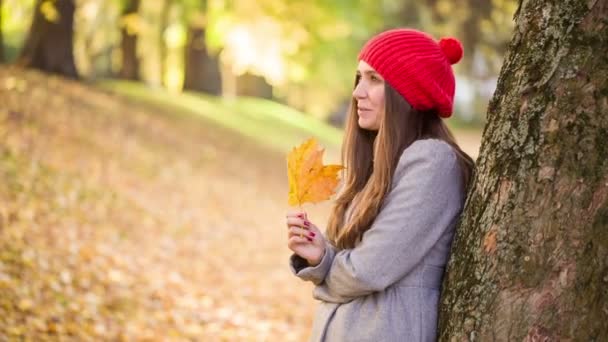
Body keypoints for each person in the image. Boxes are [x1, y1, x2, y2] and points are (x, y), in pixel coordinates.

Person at [285, 28, 475, 341]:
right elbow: (360, 263)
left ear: (407, 92)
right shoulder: (380, 165)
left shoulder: (432, 161)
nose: (358, 92)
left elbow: (370, 270)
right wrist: (319, 255)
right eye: (359, 78)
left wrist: (325, 273)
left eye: (374, 79)